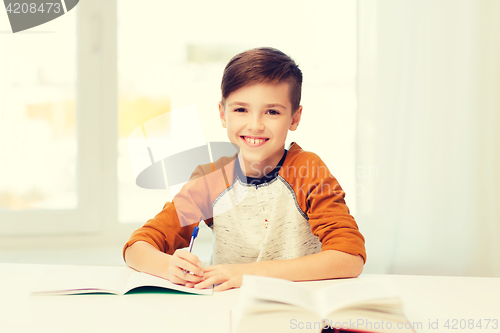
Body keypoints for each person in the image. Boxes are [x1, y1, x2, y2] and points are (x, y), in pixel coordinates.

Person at [123, 47, 366, 292]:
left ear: (294, 117)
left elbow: (349, 257)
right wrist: (167, 266)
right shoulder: (210, 180)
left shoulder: (307, 170)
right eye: (241, 109)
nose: (255, 125)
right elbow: (136, 247)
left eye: (272, 112)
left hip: (290, 307)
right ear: (223, 114)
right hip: (222, 308)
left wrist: (250, 275)